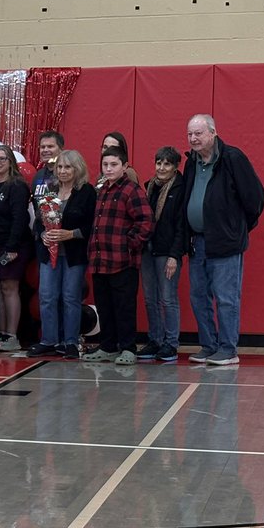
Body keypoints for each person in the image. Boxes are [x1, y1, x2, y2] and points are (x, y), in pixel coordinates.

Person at [181, 113, 264, 365]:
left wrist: (235, 228)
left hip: (225, 243)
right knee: (198, 296)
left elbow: (255, 198)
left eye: (198, 133)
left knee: (227, 298)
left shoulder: (233, 158)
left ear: (213, 133)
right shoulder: (190, 163)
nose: (193, 139)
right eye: (189, 134)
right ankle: (208, 346)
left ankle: (228, 349)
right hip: (197, 242)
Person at [83, 146, 153, 364]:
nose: (109, 168)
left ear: (124, 166)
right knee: (105, 306)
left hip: (123, 261)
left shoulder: (131, 190)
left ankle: (128, 348)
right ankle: (108, 346)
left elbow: (146, 220)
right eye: (105, 165)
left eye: (114, 164)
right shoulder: (102, 190)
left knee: (124, 307)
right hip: (100, 260)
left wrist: (129, 243)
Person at [26, 149, 96, 360]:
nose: (63, 171)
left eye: (68, 167)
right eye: (60, 167)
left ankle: (71, 342)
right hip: (49, 254)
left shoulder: (87, 192)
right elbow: (39, 221)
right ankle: (49, 340)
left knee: (70, 297)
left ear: (78, 169)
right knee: (47, 297)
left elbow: (92, 225)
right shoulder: (50, 189)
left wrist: (71, 234)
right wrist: (42, 235)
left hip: (74, 255)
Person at [138, 145, 187, 362]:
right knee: (150, 298)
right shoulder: (149, 187)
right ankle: (155, 340)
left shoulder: (180, 189)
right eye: (159, 162)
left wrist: (174, 256)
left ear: (175, 166)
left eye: (166, 163)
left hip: (167, 252)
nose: (161, 167)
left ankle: (171, 344)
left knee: (168, 298)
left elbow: (181, 226)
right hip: (148, 250)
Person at [0, 144, 32, 351]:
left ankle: (12, 336)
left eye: (2, 158)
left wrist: (11, 247)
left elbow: (20, 218)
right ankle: (1, 335)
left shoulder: (17, 185)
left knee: (10, 287)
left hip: (13, 245)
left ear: (10, 161)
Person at [31, 130, 64, 200]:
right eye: (42, 147)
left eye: (50, 146)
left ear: (61, 150)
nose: (45, 150)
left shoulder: (66, 174)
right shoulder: (38, 175)